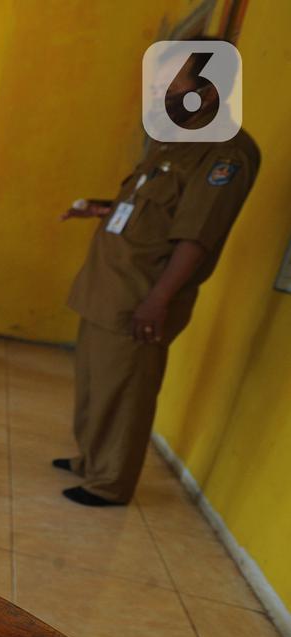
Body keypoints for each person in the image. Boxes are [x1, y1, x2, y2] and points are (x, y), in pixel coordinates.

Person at [56, 43, 259, 506]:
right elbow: (149, 212)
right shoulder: (174, 141)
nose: (156, 91)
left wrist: (157, 301)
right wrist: (100, 208)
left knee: (125, 393)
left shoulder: (226, 152)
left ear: (207, 93)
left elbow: (196, 236)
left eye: (169, 82)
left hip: (139, 297)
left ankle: (109, 482)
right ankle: (90, 459)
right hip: (106, 287)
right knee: (94, 386)